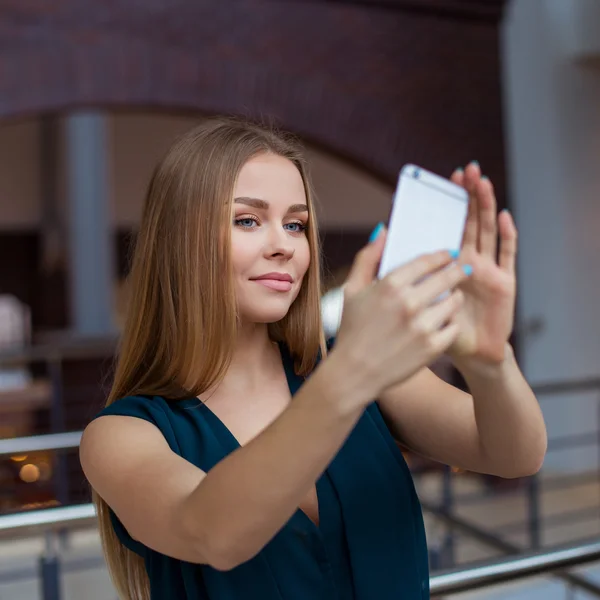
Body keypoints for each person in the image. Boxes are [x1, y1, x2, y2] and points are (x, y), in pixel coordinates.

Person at [79, 117, 547, 600]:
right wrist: (351, 371)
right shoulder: (121, 436)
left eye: (295, 224)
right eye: (247, 220)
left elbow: (515, 455)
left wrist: (490, 362)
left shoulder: (367, 379)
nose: (284, 245)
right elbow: (213, 534)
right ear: (180, 240)